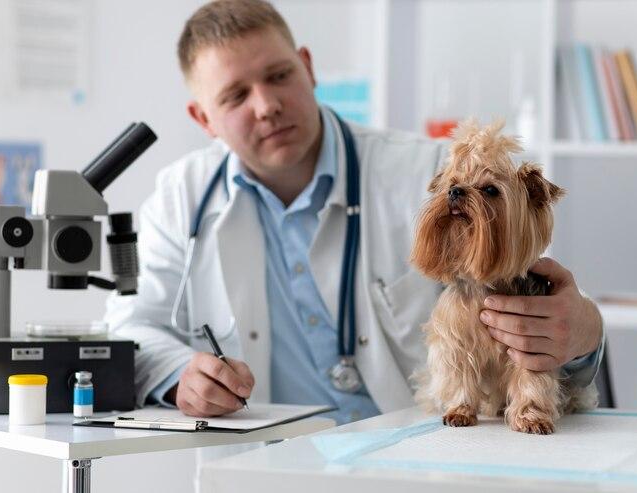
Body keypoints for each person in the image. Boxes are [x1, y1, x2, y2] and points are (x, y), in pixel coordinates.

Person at [105, 0, 604, 426]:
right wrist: (179, 377)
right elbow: (131, 327)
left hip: (416, 457)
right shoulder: (179, 198)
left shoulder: (430, 172)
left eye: (279, 76)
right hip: (261, 462)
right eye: (235, 95)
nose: (267, 105)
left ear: (308, 67)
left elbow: (534, 295)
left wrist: (583, 332)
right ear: (202, 118)